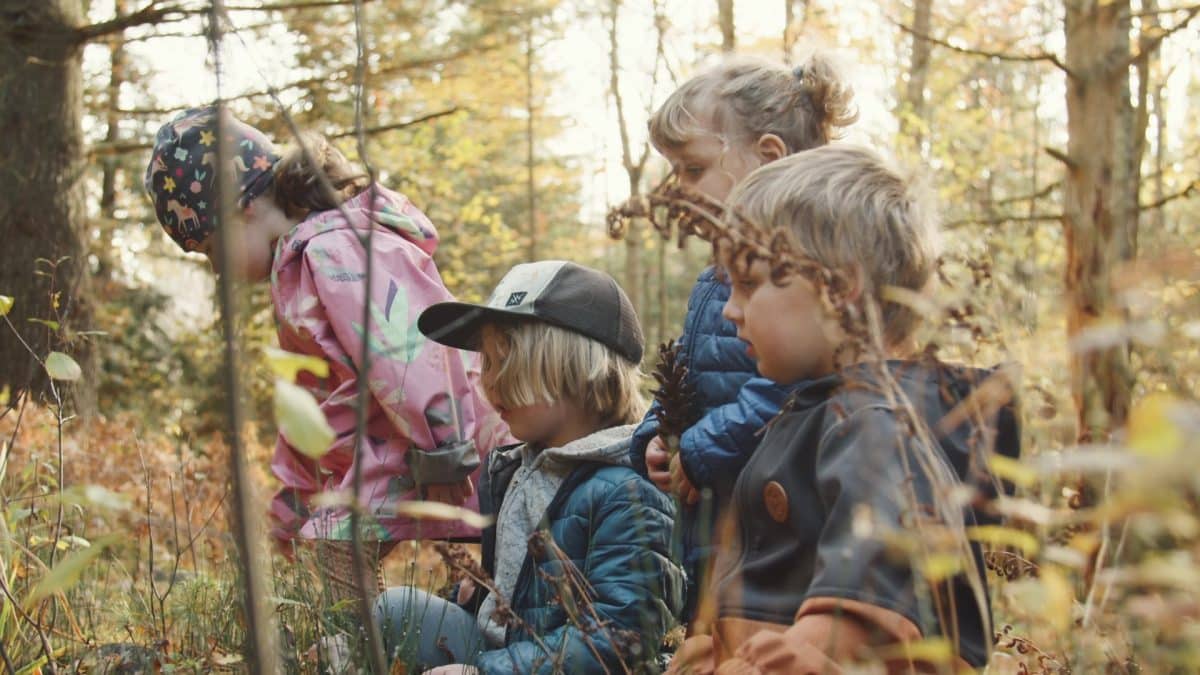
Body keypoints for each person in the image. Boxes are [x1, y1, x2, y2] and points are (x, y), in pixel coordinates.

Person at [669, 145, 1020, 673]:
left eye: (748, 285)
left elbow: (880, 564)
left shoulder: (871, 420)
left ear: (841, 288)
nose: (730, 310)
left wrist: (812, 652)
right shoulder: (818, 410)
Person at [144, 106, 509, 605]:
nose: (217, 270)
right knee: (338, 543)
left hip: (454, 443)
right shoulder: (297, 270)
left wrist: (446, 453)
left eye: (211, 249)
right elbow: (314, 402)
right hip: (399, 451)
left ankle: (374, 648)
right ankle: (382, 643)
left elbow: (411, 355)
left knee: (349, 542)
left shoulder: (335, 251)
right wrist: (294, 500)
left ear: (244, 209)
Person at [630, 53, 857, 626]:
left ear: (768, 159)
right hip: (716, 516)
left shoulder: (804, 277)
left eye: (692, 169)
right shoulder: (716, 279)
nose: (676, 190)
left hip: (780, 527)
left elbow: (793, 386)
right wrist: (656, 434)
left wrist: (703, 448)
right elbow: (685, 371)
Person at [375, 260, 684, 674]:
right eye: (487, 363)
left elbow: (617, 638)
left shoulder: (628, 491)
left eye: (507, 361)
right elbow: (525, 598)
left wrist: (488, 673)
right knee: (396, 610)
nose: (490, 382)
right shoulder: (519, 470)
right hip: (516, 651)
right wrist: (480, 592)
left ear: (572, 366)